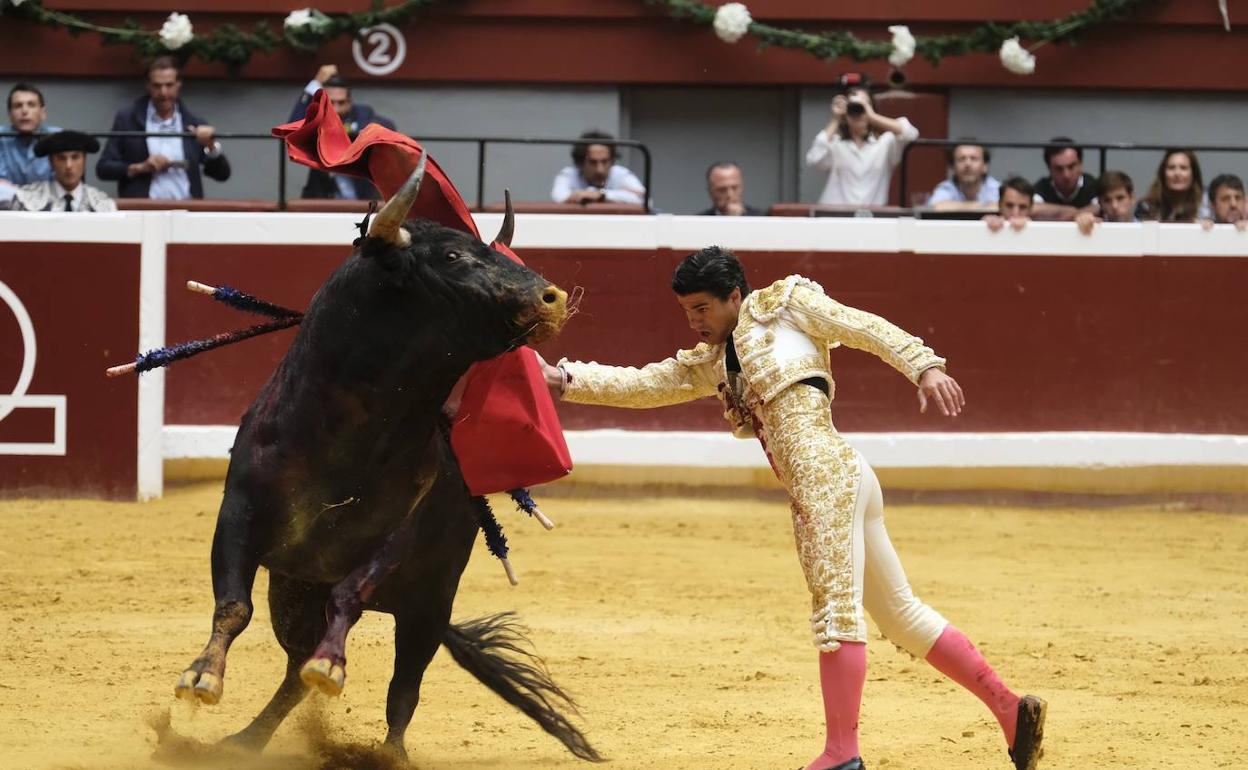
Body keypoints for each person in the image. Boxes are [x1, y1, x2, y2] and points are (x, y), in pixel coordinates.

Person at [536, 247, 1045, 770]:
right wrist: (564, 379)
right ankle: (1010, 709)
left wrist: (924, 366)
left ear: (736, 296)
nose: (694, 321)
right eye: (687, 310)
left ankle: (842, 754)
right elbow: (645, 383)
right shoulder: (712, 361)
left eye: (703, 308)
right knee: (902, 616)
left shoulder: (786, 305)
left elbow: (862, 325)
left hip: (827, 480)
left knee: (836, 614)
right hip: (840, 481)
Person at [96, 56, 230, 199]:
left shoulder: (193, 123)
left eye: (169, 85)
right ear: (148, 86)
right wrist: (140, 168)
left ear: (179, 84)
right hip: (142, 211)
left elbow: (222, 175)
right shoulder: (128, 119)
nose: (163, 93)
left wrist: (210, 146)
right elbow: (103, 168)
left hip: (186, 210)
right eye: (157, 86)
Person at [804, 76, 918, 206]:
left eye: (865, 104)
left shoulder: (885, 144)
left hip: (871, 218)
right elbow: (814, 158)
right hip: (836, 217)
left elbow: (910, 133)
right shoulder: (836, 144)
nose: (859, 111)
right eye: (854, 106)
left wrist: (871, 115)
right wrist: (836, 118)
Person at [288, 65, 395, 199]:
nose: (336, 109)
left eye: (341, 103)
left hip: (360, 195)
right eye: (331, 102)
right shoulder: (318, 118)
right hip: (322, 196)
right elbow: (291, 130)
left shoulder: (362, 113)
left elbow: (387, 127)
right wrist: (315, 85)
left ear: (349, 102)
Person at [1, 130, 116, 212]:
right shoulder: (26, 198)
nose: (69, 165)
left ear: (84, 160)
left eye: (75, 157)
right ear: (51, 162)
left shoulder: (103, 203)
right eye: (61, 158)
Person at [551, 130, 646, 205]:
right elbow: (558, 197)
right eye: (592, 162)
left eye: (605, 162)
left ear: (612, 161)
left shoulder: (620, 174)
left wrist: (602, 195)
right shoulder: (568, 174)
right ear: (579, 163)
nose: (599, 170)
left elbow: (646, 201)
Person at [0, 83, 61, 187]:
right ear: (10, 115)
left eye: (31, 105)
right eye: (18, 106)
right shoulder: (1, 137)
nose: (24, 111)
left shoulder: (57, 137)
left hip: (48, 201)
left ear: (43, 113)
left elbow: (61, 184)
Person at [1134, 149, 1208, 223]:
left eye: (1183, 168)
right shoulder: (1146, 206)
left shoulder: (1206, 203)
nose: (1177, 173)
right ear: (1163, 174)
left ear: (1193, 174)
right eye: (1171, 168)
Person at [1031, 137, 1098, 220]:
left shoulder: (1094, 185)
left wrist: (1076, 214)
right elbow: (1030, 208)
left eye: (1071, 167)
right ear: (1049, 169)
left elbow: (1101, 207)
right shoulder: (1042, 186)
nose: (1066, 175)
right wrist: (1065, 210)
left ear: (1080, 164)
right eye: (1059, 169)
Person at [928, 142, 1000, 210]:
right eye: (962, 159)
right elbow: (936, 206)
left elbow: (1002, 208)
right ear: (952, 167)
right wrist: (983, 206)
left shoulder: (996, 188)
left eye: (974, 158)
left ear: (985, 166)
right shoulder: (946, 187)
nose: (968, 164)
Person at [1075, 171, 1136, 235]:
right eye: (1107, 200)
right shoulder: (1095, 228)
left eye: (1120, 198)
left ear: (1132, 198)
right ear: (1100, 203)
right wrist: (1083, 222)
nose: (1114, 206)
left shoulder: (1147, 230)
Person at [699, 161, 765, 216]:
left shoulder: (762, 219)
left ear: (742, 187)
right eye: (722, 190)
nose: (730, 194)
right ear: (710, 191)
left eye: (735, 188)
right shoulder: (698, 222)